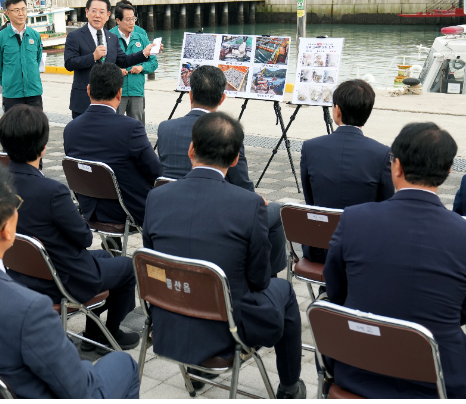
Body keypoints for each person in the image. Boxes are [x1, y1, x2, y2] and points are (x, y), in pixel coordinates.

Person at [0, 161, 140, 399]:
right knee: (124, 363)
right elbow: (80, 390)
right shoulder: (29, 309)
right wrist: (83, 366)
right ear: (7, 229)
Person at [144, 111, 305, 398]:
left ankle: (196, 373)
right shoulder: (249, 204)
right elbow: (258, 280)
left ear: (191, 150)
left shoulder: (157, 197)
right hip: (227, 328)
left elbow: (152, 260)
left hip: (168, 316)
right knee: (284, 291)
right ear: (234, 160)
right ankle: (290, 386)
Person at [324, 122, 466, 398]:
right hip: (441, 379)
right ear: (448, 172)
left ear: (396, 166)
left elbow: (337, 289)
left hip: (357, 368)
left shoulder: (354, 218)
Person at [0, 105, 139, 352]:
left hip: (21, 272)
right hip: (61, 278)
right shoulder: (52, 192)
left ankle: (93, 331)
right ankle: (110, 332)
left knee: (106, 256)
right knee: (128, 267)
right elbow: (84, 238)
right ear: (43, 147)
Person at [157, 65, 286, 276]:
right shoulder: (228, 132)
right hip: (216, 211)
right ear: (222, 98)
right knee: (275, 211)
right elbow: (241, 184)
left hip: (172, 208)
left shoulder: (165, 128)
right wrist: (254, 201)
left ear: (190, 94)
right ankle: (268, 275)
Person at [300, 79, 393, 263]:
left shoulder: (311, 148)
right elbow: (386, 206)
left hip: (320, 249)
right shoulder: (382, 154)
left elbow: (311, 200)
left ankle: (325, 291)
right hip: (364, 251)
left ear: (338, 110)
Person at [64, 64, 162, 234]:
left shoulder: (71, 128)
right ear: (119, 93)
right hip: (127, 212)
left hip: (90, 210)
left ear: (88, 90)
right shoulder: (130, 128)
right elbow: (155, 172)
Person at [64, 0, 157, 118]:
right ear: (87, 12)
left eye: (102, 12)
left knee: (110, 136)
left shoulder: (112, 38)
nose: (97, 15)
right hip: (84, 101)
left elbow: (123, 60)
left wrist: (144, 53)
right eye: (94, 11)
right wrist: (93, 57)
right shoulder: (75, 36)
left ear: (108, 15)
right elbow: (69, 63)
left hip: (110, 102)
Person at [0, 0, 44, 112]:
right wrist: (6, 81)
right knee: (12, 128)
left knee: (36, 128)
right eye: (16, 10)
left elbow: (38, 59)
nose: (21, 13)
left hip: (33, 92)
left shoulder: (35, 35)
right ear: (8, 13)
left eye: (23, 9)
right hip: (12, 93)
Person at [110, 2, 157, 125]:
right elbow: (103, 63)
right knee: (114, 126)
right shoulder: (109, 37)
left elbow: (153, 62)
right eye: (128, 19)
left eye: (133, 19)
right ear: (118, 20)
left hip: (137, 91)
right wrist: (115, 71)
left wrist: (142, 67)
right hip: (116, 91)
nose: (132, 22)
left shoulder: (141, 37)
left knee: (136, 128)